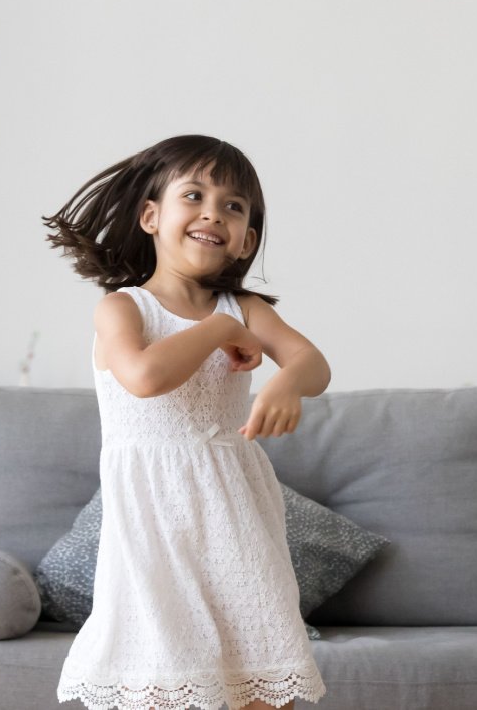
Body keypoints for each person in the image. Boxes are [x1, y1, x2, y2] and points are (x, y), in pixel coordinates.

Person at [44, 134, 328, 710]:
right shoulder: (123, 308)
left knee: (261, 679)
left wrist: (285, 381)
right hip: (154, 528)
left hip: (237, 517)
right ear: (151, 216)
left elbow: (313, 364)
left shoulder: (246, 308)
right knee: (164, 680)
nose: (212, 213)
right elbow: (146, 378)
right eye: (193, 195)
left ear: (246, 239)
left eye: (233, 206)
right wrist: (221, 332)